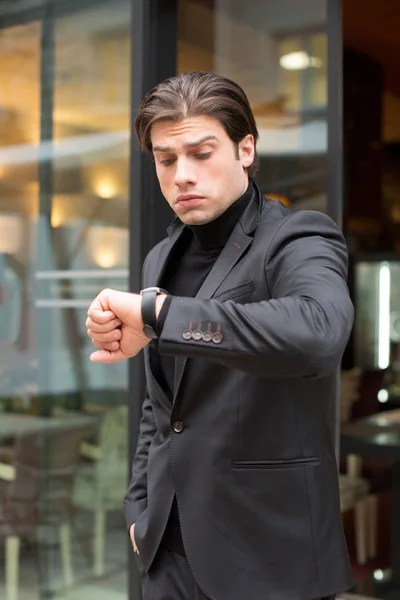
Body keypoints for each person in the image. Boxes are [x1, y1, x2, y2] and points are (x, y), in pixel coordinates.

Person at [86, 72, 354, 600]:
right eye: (166, 159)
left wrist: (160, 316)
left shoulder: (298, 237)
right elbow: (161, 409)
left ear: (245, 148)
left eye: (201, 152)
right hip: (166, 551)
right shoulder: (161, 256)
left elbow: (319, 332)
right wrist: (139, 509)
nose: (182, 174)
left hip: (268, 557)